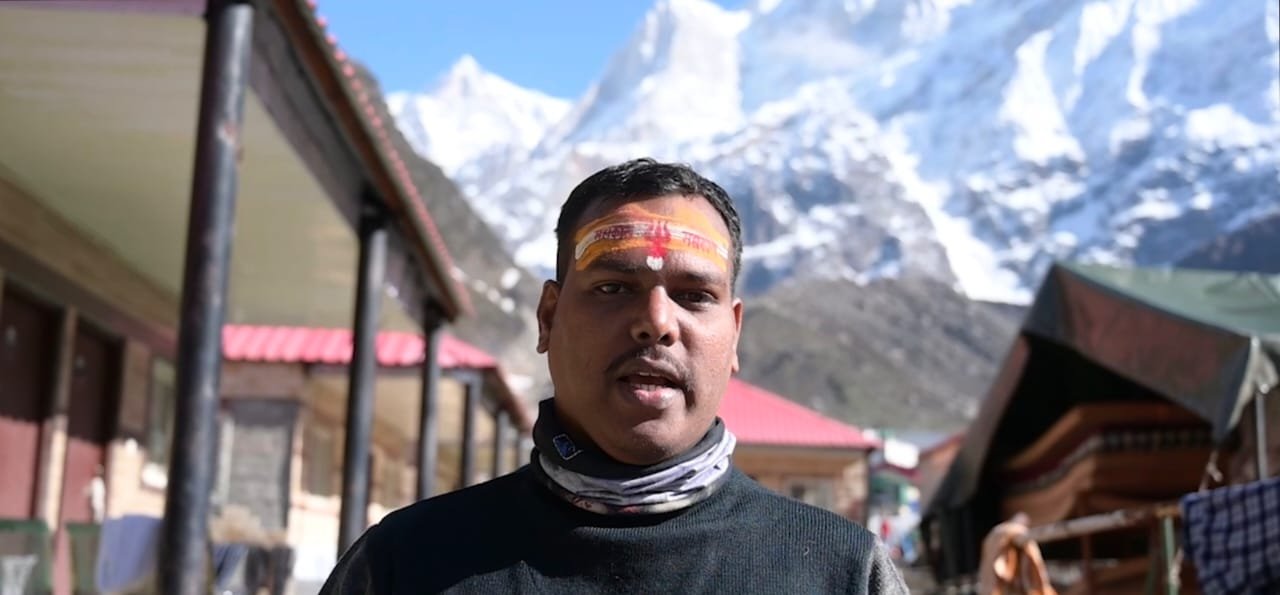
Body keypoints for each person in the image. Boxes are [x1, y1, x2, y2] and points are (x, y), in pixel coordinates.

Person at [319, 158, 908, 594]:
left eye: (693, 295)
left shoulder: (843, 572)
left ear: (733, 335)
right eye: (613, 288)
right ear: (548, 318)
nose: (656, 322)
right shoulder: (406, 563)